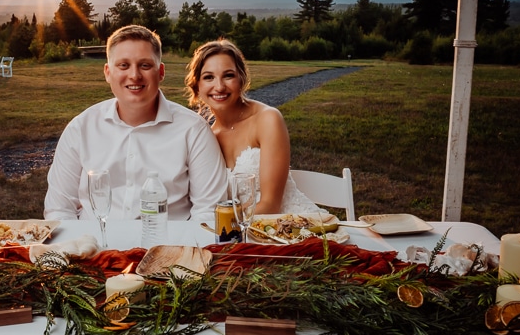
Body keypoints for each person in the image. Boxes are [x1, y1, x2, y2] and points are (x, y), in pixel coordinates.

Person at [44, 25, 228, 221]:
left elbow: (208, 212)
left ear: (161, 72)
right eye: (123, 65)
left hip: (168, 247)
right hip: (94, 247)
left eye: (145, 65)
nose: (134, 75)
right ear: (108, 72)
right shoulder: (80, 129)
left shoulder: (193, 130)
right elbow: (59, 209)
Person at [184, 39, 319, 215]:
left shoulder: (267, 119)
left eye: (228, 75)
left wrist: (228, 226)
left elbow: (271, 205)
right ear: (197, 85)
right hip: (239, 234)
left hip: (289, 224)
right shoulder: (208, 136)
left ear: (241, 78)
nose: (219, 86)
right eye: (209, 77)